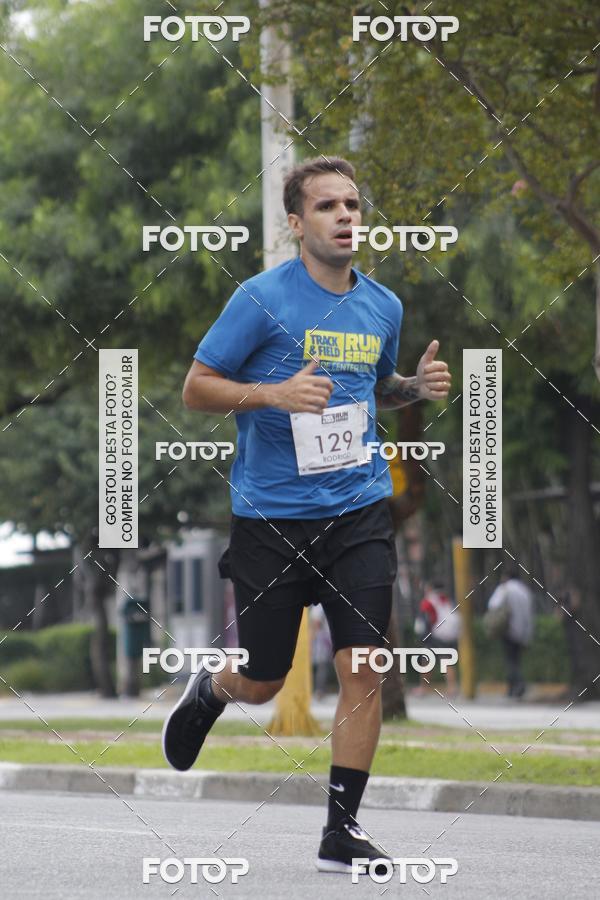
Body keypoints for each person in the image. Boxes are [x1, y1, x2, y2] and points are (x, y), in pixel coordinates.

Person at [161, 157, 451, 872]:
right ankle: (212, 690)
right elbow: (197, 389)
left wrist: (414, 384)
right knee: (263, 677)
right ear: (296, 223)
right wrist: (271, 395)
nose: (346, 216)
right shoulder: (260, 300)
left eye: (353, 204)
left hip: (356, 509)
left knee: (364, 662)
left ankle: (340, 829)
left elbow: (371, 386)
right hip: (271, 517)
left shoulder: (383, 306)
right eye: (328, 207)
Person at [487, 567, 534, 699]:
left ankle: (518, 685)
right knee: (516, 660)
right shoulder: (525, 590)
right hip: (523, 631)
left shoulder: (505, 589)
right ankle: (513, 688)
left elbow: (493, 605)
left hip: (508, 629)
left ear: (506, 577)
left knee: (510, 661)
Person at [414, 580, 460, 696]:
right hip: (450, 634)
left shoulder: (428, 600)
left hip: (436, 633)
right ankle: (452, 687)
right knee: (445, 659)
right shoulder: (446, 599)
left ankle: (423, 688)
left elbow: (426, 620)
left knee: (427, 660)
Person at [310, 603, 333, 699]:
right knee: (323, 665)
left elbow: (316, 622)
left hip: (324, 637)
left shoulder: (318, 605)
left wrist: (312, 636)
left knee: (322, 666)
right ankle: (320, 691)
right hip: (326, 637)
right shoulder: (319, 606)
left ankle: (320, 691)